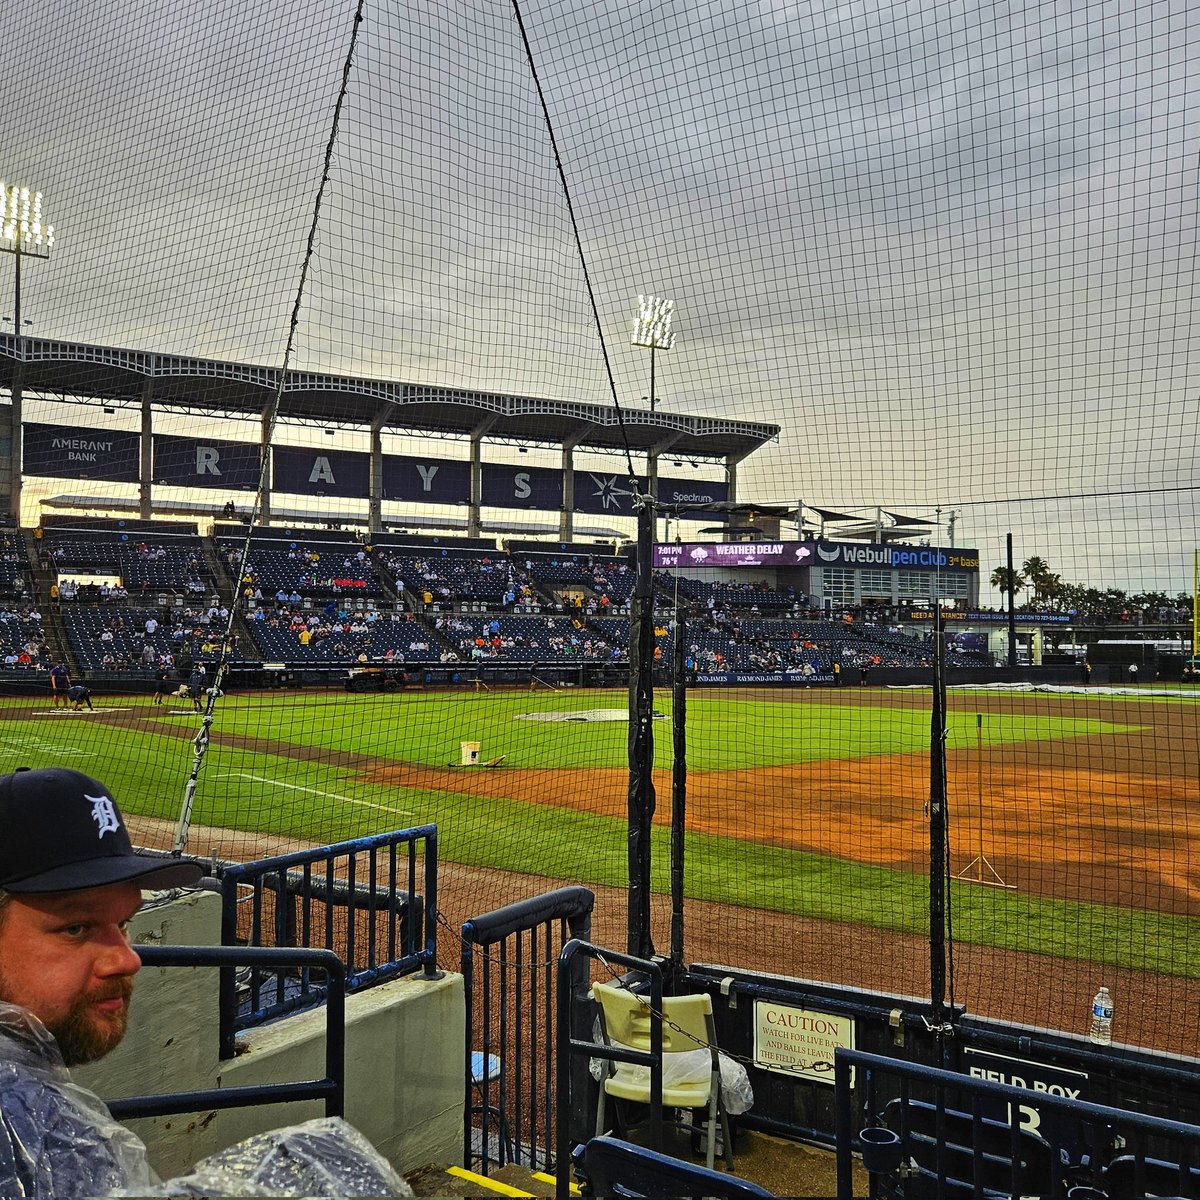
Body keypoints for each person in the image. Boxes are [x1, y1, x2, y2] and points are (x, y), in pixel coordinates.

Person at [0, 768, 409, 1199]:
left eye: (123, 922)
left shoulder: (36, 1105)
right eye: (76, 928)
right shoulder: (26, 1121)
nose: (127, 958)